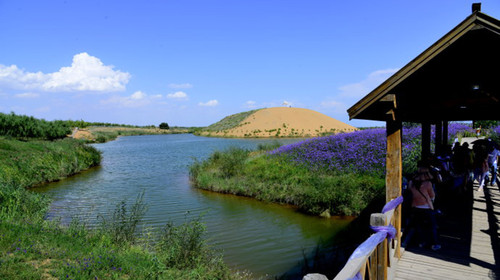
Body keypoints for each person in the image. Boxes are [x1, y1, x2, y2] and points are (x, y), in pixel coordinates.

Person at [402, 160, 441, 251]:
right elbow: (432, 196)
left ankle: (422, 242)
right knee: (432, 226)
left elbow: (409, 191)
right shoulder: (428, 184)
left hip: (415, 207)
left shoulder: (412, 183)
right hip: (427, 207)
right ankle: (435, 243)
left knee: (419, 226)